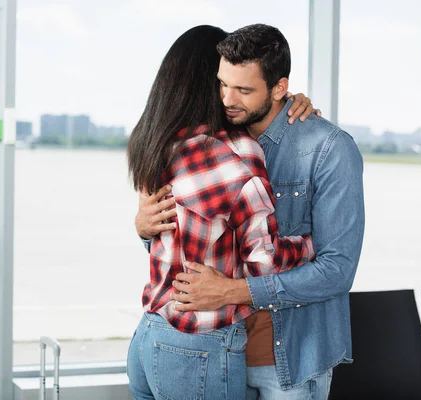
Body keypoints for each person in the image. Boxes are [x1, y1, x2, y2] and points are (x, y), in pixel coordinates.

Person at [135, 24, 365, 399]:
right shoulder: (209, 142)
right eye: (222, 84)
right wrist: (144, 229)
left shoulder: (327, 149)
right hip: (221, 349)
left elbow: (337, 270)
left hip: (289, 359)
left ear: (279, 88)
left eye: (243, 90)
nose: (228, 99)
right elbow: (190, 246)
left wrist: (231, 291)